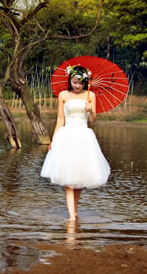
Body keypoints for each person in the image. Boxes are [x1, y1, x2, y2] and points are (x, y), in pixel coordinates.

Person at [40, 65, 110, 220]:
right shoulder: (63, 95)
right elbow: (60, 119)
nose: (77, 86)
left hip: (84, 138)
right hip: (67, 137)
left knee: (79, 179)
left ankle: (74, 212)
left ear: (85, 82)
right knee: (68, 179)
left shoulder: (90, 95)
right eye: (74, 82)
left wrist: (90, 110)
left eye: (80, 83)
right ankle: (72, 216)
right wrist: (53, 139)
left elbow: (92, 120)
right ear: (70, 80)